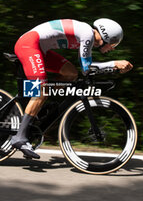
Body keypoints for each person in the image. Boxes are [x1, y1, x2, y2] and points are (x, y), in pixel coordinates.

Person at [11, 18, 133, 159]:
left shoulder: (87, 36)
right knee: (42, 89)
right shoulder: (87, 34)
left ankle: (37, 104)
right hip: (28, 45)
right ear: (106, 36)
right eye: (113, 43)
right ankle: (19, 137)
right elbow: (86, 69)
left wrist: (113, 68)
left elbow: (85, 70)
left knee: (70, 73)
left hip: (38, 48)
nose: (113, 47)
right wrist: (114, 64)